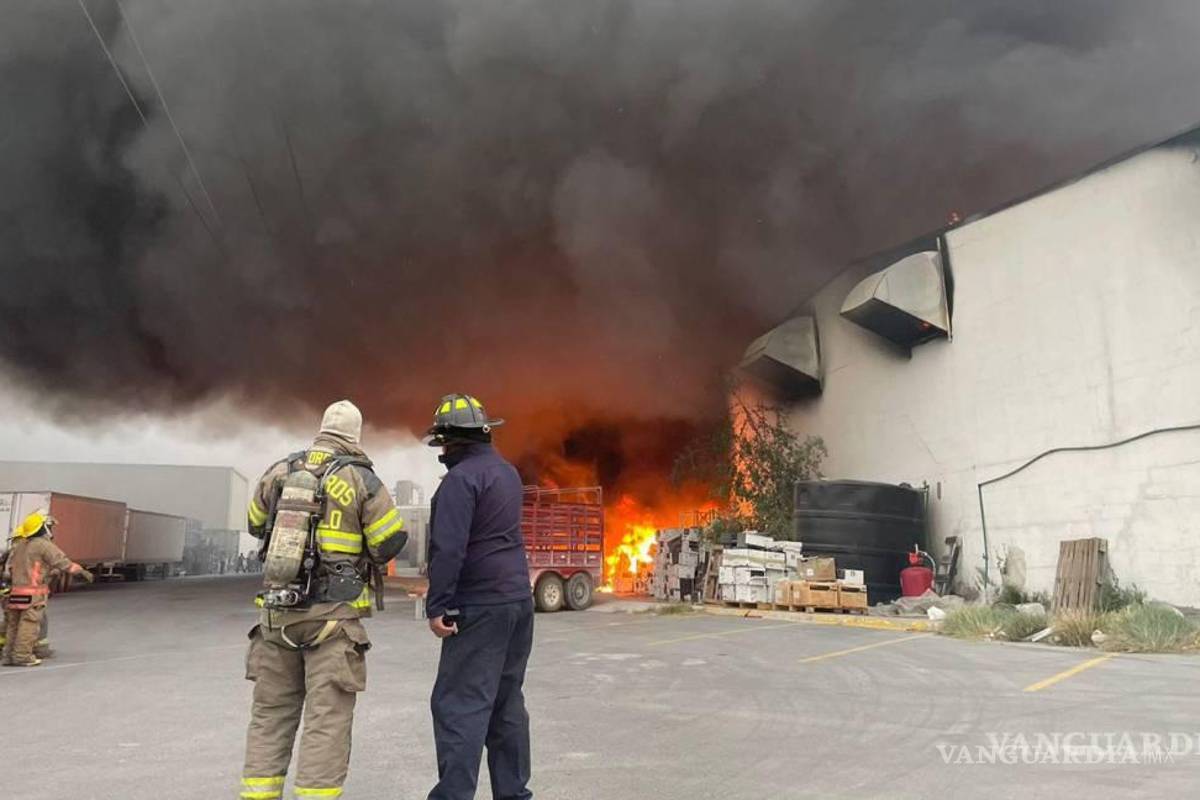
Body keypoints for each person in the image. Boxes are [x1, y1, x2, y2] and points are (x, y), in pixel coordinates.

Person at [239, 400, 408, 800]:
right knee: (326, 720)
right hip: (332, 620)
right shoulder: (361, 478)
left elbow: (254, 524)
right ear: (355, 436)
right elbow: (389, 542)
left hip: (277, 616)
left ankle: (259, 794)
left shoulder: (280, 471)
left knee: (270, 715)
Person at [424, 394, 534, 800]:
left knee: (459, 705)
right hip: (518, 603)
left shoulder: (459, 481)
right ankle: (514, 794)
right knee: (506, 705)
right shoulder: (507, 472)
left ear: (450, 440)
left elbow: (448, 550)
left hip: (480, 606)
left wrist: (437, 605)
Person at [1, 511, 93, 667]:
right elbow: (63, 562)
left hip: (16, 591)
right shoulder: (43, 545)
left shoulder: (20, 546)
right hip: (33, 593)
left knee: (13, 625)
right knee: (29, 624)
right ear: (42, 528)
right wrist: (82, 572)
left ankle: (8, 656)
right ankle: (22, 656)